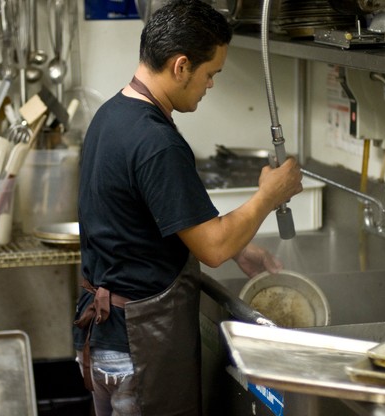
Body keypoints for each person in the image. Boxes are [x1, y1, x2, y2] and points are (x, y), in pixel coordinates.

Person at [73, 0, 303, 414]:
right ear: (181, 66)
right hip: (139, 351)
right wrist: (269, 195)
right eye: (210, 73)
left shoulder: (113, 115)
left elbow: (149, 219)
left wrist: (240, 246)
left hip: (107, 341)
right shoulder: (156, 142)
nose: (210, 85)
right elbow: (212, 248)